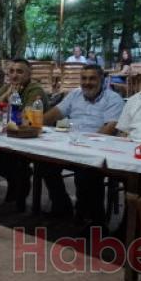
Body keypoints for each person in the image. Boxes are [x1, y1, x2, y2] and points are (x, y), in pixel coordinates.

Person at [40, 64, 124, 222]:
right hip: (70, 143)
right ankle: (62, 205)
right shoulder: (75, 94)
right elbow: (55, 113)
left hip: (97, 148)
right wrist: (37, 124)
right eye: (84, 78)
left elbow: (109, 128)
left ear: (102, 80)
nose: (87, 82)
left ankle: (92, 218)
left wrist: (85, 148)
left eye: (92, 78)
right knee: (44, 163)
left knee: (85, 173)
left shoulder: (113, 99)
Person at [0, 59, 49, 209]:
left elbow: (27, 121)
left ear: (29, 74)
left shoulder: (34, 90)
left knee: (13, 158)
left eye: (20, 71)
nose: (14, 75)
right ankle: (17, 179)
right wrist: (7, 95)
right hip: (9, 136)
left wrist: (14, 101)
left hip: (31, 139)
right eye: (11, 71)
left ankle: (20, 180)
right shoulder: (8, 88)